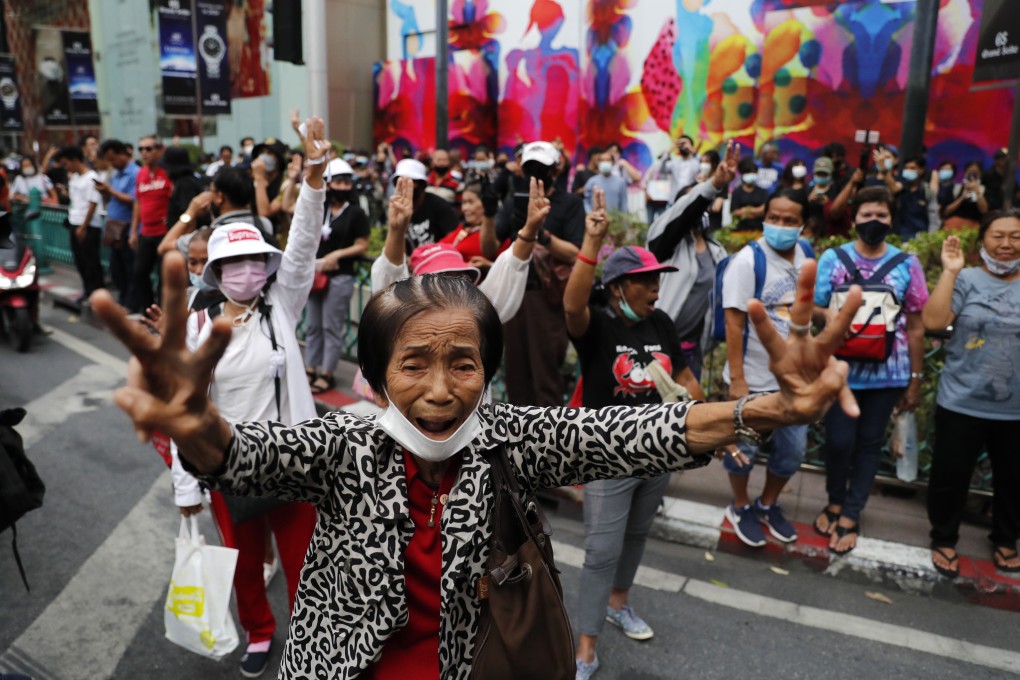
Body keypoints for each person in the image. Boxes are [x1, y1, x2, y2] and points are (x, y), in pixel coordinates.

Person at [91, 221, 863, 679]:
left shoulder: (510, 440)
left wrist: (767, 410)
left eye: (462, 363)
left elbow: (634, 430)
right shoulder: (344, 443)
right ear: (380, 376)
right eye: (414, 363)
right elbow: (249, 454)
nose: (438, 389)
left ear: (485, 373)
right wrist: (193, 423)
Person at [166, 118, 331, 677]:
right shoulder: (200, 323)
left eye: (254, 260)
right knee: (240, 564)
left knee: (306, 561)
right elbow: (184, 409)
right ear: (215, 271)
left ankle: (313, 637)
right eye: (233, 263)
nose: (245, 271)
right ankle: (260, 632)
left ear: (266, 265)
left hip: (292, 459)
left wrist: (313, 175)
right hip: (230, 466)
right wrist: (187, 486)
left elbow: (304, 241)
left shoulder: (280, 303)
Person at [565, 190, 705, 680]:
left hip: (659, 454)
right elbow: (572, 303)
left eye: (656, 281)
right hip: (607, 457)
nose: (656, 290)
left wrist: (711, 424)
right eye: (647, 282)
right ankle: (585, 649)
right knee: (601, 549)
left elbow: (685, 379)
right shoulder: (598, 327)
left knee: (638, 534)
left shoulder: (661, 322)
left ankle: (618, 604)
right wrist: (590, 243)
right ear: (619, 287)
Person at [812, 187, 929, 555]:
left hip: (888, 374)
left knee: (868, 446)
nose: (873, 222)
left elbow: (916, 325)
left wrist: (914, 379)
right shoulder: (834, 258)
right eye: (866, 215)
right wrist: (827, 314)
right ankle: (833, 499)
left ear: (891, 219)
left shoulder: (908, 264)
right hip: (838, 370)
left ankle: (850, 512)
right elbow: (811, 307)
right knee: (838, 442)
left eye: (881, 215)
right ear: (854, 219)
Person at [922, 211, 1020, 577]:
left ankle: (1007, 538)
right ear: (983, 241)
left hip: (1016, 408)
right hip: (962, 399)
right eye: (998, 236)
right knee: (950, 475)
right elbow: (933, 323)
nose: (1007, 244)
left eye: (1015, 236)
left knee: (1014, 479)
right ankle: (944, 538)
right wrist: (949, 270)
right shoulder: (965, 278)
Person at [721, 187, 814, 547]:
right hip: (754, 378)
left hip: (793, 381)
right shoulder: (747, 261)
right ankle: (740, 505)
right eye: (774, 218)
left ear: (802, 224)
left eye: (790, 220)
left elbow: (802, 306)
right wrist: (738, 380)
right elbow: (733, 323)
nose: (780, 225)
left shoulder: (805, 254)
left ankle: (768, 503)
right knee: (743, 452)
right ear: (764, 217)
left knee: (793, 450)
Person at [488, 140, 585, 407]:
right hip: (513, 294)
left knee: (546, 374)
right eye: (530, 168)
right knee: (516, 375)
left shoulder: (569, 204)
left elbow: (574, 252)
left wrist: (539, 232)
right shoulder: (514, 201)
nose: (536, 175)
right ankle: (519, 441)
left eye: (542, 169)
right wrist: (487, 213)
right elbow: (492, 244)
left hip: (546, 297)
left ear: (555, 169)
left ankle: (550, 443)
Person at [375, 176, 537, 324]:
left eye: (460, 278)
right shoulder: (408, 319)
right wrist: (397, 231)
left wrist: (529, 230)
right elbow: (392, 274)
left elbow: (511, 265)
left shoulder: (476, 315)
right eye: (439, 279)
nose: (450, 286)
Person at [647, 141, 736, 378]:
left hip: (691, 353)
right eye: (697, 204)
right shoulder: (664, 245)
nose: (701, 210)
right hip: (657, 350)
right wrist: (712, 185)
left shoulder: (717, 252)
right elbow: (686, 213)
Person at [304, 159, 370, 395]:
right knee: (313, 325)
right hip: (315, 274)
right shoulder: (320, 209)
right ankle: (310, 367)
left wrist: (338, 255)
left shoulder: (356, 212)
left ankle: (328, 373)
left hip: (340, 275)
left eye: (346, 182)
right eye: (337, 182)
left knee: (331, 327)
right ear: (329, 184)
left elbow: (363, 244)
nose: (342, 186)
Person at [158, 166, 274, 259]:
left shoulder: (209, 235)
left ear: (219, 197)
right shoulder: (264, 224)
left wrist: (190, 212)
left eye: (211, 190)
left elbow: (163, 247)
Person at [54, 146, 105, 301]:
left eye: (66, 164)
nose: (66, 168)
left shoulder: (91, 178)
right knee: (80, 260)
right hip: (75, 222)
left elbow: (93, 203)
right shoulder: (75, 177)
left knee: (91, 261)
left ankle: (97, 292)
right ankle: (88, 290)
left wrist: (84, 226)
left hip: (88, 225)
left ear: (75, 160)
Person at [97, 140, 140, 310]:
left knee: (130, 268)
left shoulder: (135, 173)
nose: (112, 163)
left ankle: (132, 303)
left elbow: (134, 200)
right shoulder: (115, 174)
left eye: (113, 159)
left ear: (123, 154)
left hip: (128, 227)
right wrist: (104, 192)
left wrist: (109, 191)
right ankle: (124, 299)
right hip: (114, 227)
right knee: (116, 268)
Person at [131, 134, 172, 312]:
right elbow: (138, 203)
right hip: (146, 232)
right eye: (141, 149)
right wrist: (133, 231)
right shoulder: (141, 174)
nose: (144, 153)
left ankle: (163, 313)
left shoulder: (167, 172)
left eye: (149, 149)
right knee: (139, 272)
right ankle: (148, 310)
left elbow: (175, 199)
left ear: (159, 150)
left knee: (165, 276)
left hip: (165, 233)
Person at [439, 180, 510, 272]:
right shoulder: (463, 229)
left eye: (470, 202)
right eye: (464, 202)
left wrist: (490, 266)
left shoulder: (497, 236)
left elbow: (508, 269)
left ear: (487, 202)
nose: (465, 208)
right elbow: (439, 247)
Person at [393, 158, 459, 252]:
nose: (405, 187)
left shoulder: (440, 206)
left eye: (412, 183)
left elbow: (454, 241)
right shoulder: (396, 208)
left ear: (422, 184)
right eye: (400, 182)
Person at [887, 156, 939, 239]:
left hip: (918, 238)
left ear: (921, 170)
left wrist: (930, 238)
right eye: (906, 168)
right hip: (897, 236)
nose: (908, 171)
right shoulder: (900, 187)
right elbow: (893, 187)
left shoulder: (927, 191)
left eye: (912, 168)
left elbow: (933, 217)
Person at [806, 156, 859, 238]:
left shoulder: (837, 189)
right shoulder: (807, 189)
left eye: (824, 174)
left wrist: (828, 204)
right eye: (819, 174)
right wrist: (808, 200)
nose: (821, 177)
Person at [648, 134, 700, 206]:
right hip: (673, 202)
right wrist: (670, 149)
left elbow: (703, 166)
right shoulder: (674, 163)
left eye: (685, 143)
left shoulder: (696, 162)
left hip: (691, 201)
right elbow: (662, 170)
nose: (683, 146)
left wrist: (691, 149)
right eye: (681, 144)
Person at [942, 160, 988, 231]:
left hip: (974, 226)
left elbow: (984, 211)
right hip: (954, 225)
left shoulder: (984, 189)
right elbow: (946, 211)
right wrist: (962, 197)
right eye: (970, 172)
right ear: (965, 172)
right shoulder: (956, 188)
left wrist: (977, 192)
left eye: (975, 173)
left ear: (980, 174)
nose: (972, 175)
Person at [583, 150, 628, 214]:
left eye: (608, 160)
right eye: (602, 160)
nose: (605, 162)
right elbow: (586, 201)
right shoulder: (591, 181)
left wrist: (624, 222)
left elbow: (623, 204)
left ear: (613, 162)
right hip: (597, 220)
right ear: (598, 163)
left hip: (616, 221)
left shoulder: (620, 182)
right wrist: (590, 214)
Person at [729, 158, 768, 231]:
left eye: (753, 172)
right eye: (748, 173)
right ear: (742, 174)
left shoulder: (763, 191)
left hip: (759, 229)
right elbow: (734, 212)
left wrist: (745, 210)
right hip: (740, 230)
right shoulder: (737, 192)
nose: (751, 175)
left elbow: (764, 210)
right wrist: (756, 212)